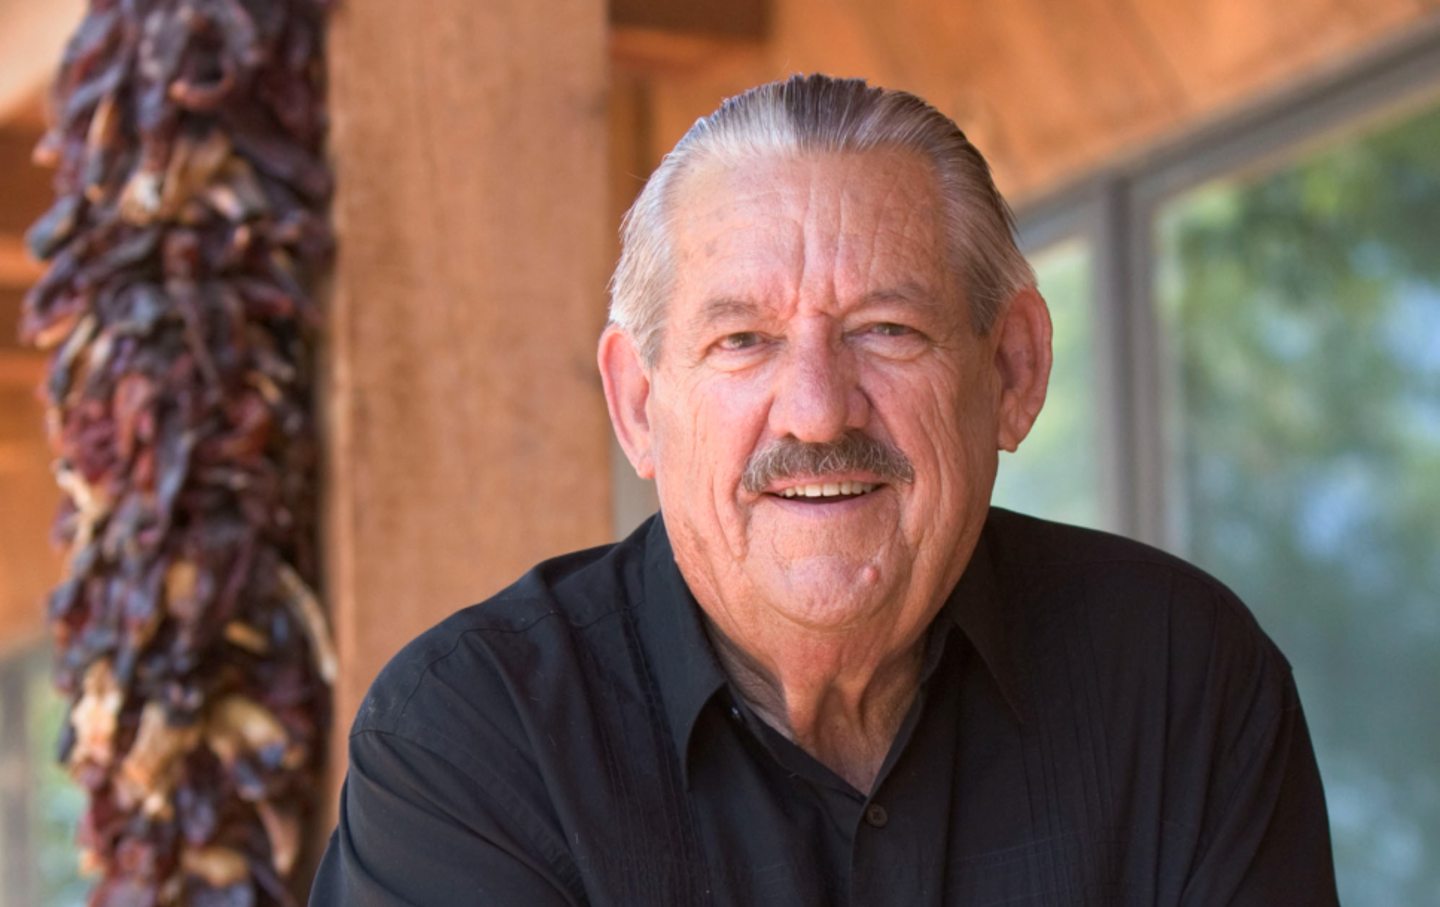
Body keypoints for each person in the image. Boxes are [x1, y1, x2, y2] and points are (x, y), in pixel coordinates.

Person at [310, 74, 1339, 905]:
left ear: (1014, 372)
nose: (815, 410)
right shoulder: (479, 741)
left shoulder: (1178, 679)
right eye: (743, 340)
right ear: (637, 406)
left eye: (886, 330)